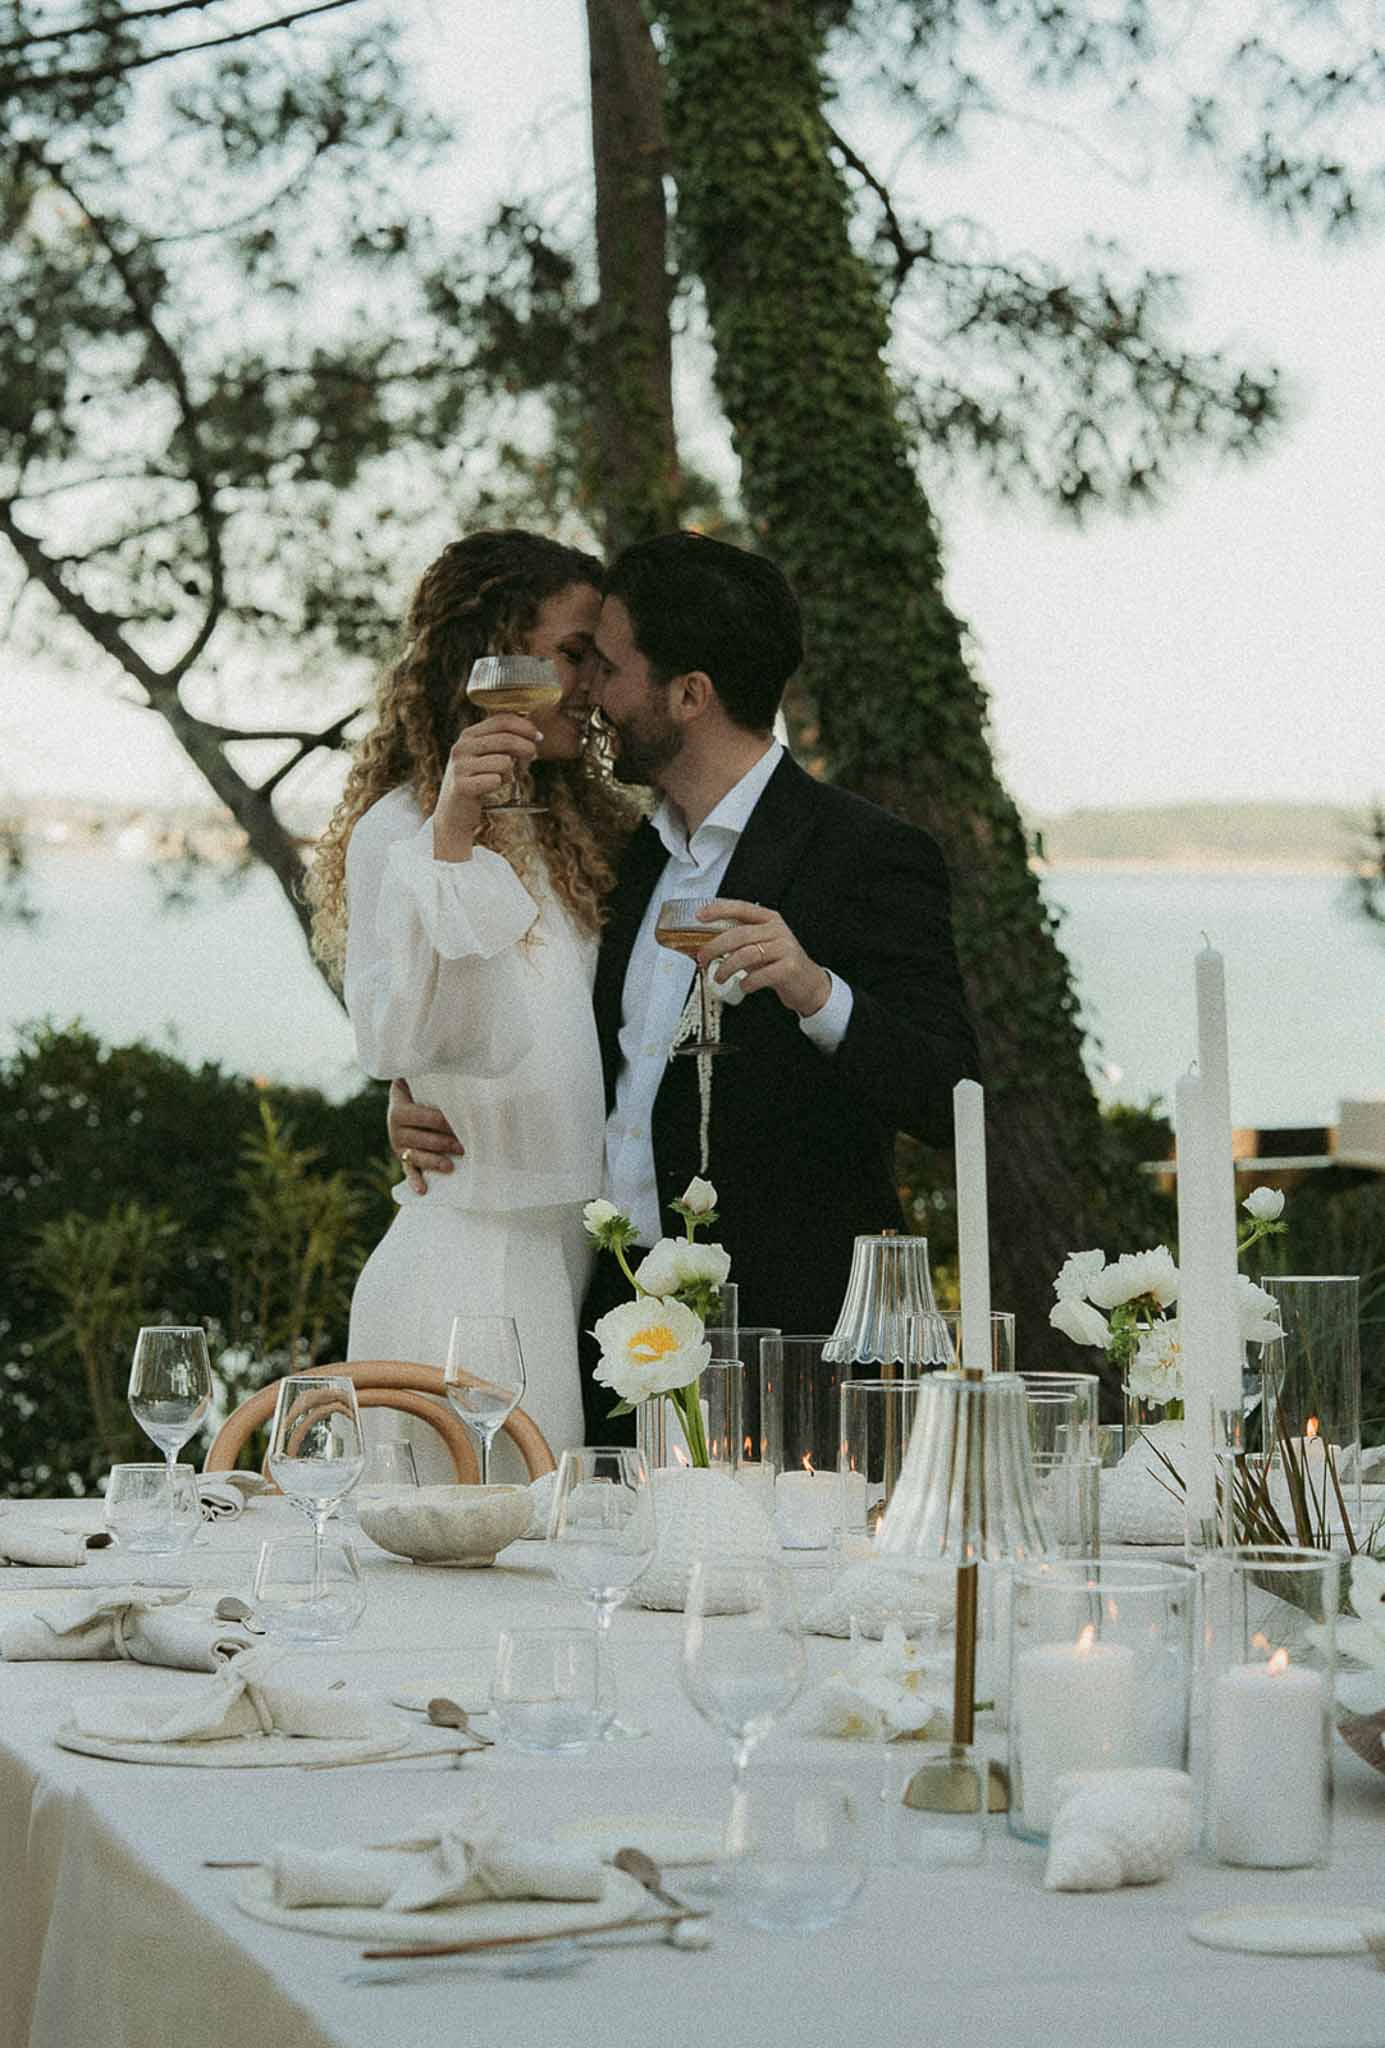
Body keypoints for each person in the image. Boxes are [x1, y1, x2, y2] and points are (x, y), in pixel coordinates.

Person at [390, 530, 981, 1443]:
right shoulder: (624, 858)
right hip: (615, 1351)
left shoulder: (865, 855)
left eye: (609, 669)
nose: (584, 693)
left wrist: (817, 992)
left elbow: (951, 1098)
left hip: (793, 1365)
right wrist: (412, 1097)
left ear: (690, 694)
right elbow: (550, 1032)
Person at [309, 528, 635, 1469]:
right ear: (496, 654)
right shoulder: (404, 833)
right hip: (471, 1275)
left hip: (582, 1264)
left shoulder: (584, 828)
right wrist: (454, 840)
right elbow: (402, 1032)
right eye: (573, 654)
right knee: (480, 1564)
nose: (590, 684)